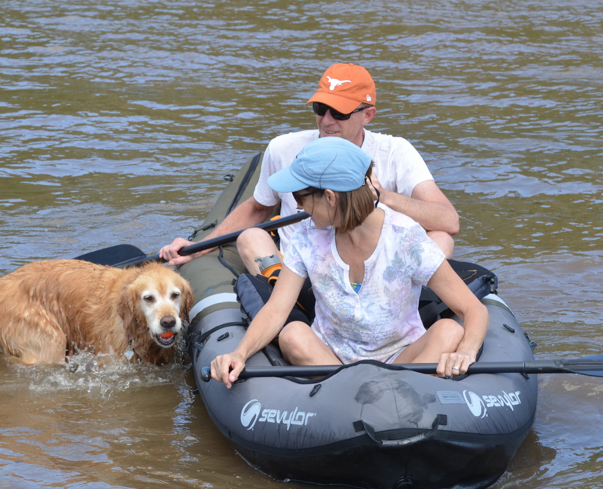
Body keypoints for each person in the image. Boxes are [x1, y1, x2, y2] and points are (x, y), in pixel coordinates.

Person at [208, 137, 488, 388]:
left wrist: (467, 352)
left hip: (403, 356)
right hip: (331, 360)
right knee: (293, 334)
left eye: (300, 196)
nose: (297, 206)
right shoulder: (308, 237)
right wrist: (239, 353)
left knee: (449, 330)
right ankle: (356, 398)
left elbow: (472, 309)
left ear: (330, 197)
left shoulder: (405, 237)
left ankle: (398, 392)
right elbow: (276, 311)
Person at [159, 63, 459, 281]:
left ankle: (396, 298)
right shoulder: (282, 148)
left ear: (368, 115)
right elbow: (258, 207)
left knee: (442, 238)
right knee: (250, 238)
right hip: (303, 269)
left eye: (339, 113)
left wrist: (383, 197)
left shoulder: (397, 152)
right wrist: (196, 249)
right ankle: (286, 300)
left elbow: (448, 220)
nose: (326, 121)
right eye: (320, 108)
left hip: (378, 272)